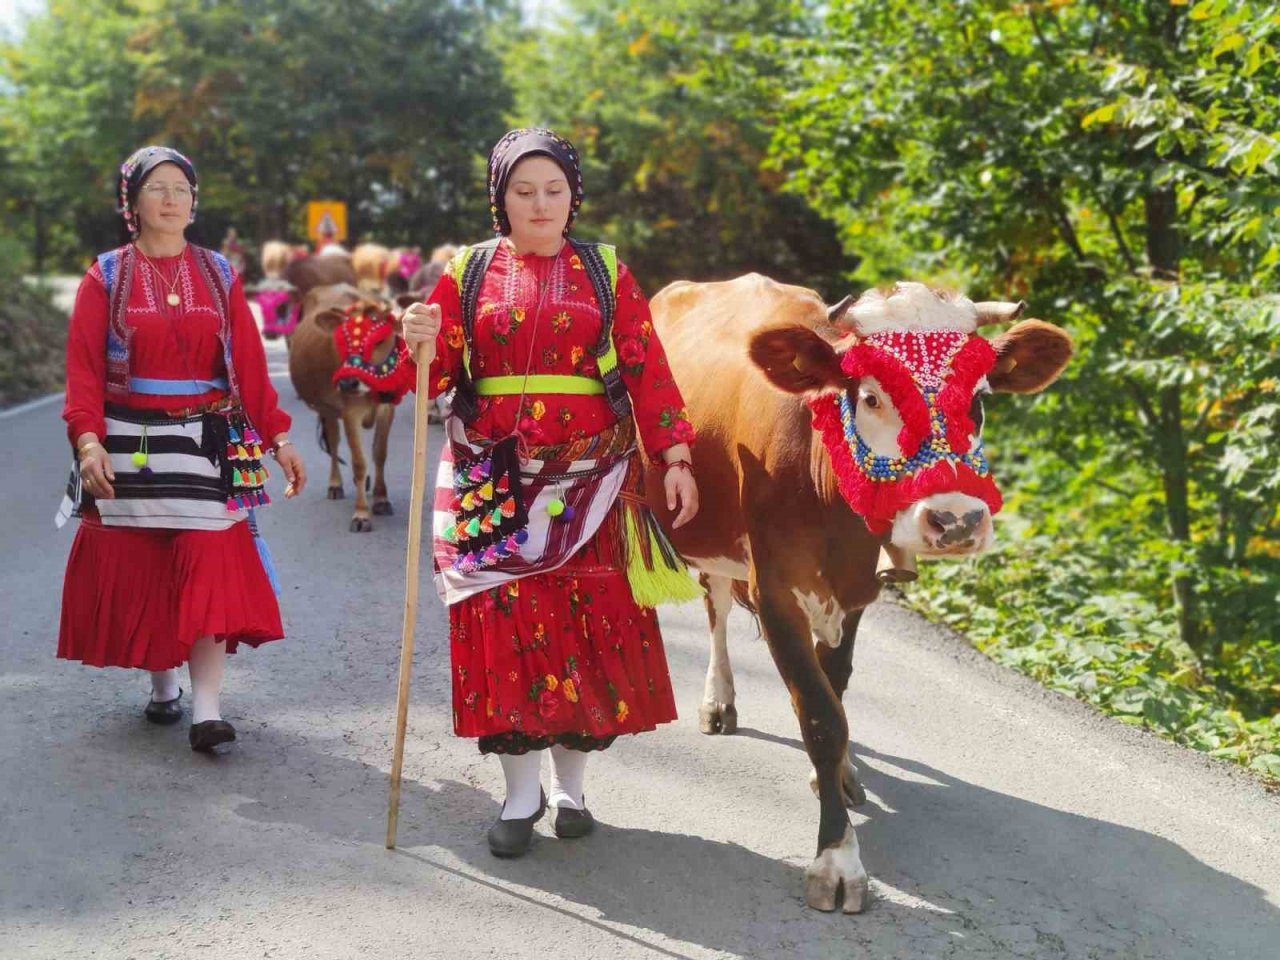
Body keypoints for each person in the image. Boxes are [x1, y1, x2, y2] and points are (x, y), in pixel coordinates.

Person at [402, 128, 700, 858]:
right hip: (489, 476)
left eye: (554, 191)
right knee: (502, 622)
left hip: (592, 477)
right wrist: (416, 337)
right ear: (499, 200)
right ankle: (519, 793)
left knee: (583, 627)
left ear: (574, 199)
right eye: (523, 191)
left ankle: (572, 788)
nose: (540, 205)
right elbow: (431, 374)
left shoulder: (605, 270)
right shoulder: (466, 272)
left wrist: (677, 455)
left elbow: (646, 365)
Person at [58, 145, 307, 753]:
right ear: (133, 204)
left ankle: (207, 711)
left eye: (182, 189)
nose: (173, 200)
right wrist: (88, 441)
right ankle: (163, 686)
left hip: (205, 444)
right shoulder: (106, 276)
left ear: (194, 203)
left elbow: (248, 367)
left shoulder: (220, 274)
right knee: (147, 568)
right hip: (131, 446)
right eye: (158, 188)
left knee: (207, 561)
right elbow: (84, 372)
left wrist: (279, 436)